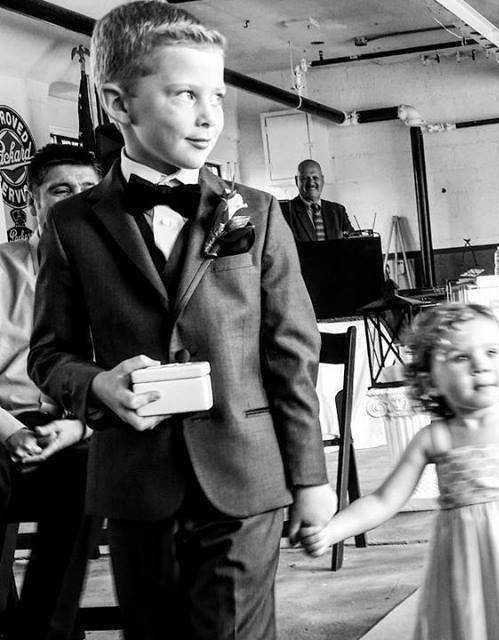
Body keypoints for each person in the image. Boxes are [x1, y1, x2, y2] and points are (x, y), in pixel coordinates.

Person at [27, 3, 337, 638]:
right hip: (136, 486)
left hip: (244, 475)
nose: (208, 116)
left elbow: (291, 355)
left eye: (216, 96)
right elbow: (49, 355)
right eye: (184, 94)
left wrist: (310, 478)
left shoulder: (258, 213)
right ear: (119, 102)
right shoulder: (73, 225)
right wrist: (97, 386)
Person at [299, 303, 499, 639]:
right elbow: (383, 500)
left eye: (492, 351)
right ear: (430, 379)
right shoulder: (435, 438)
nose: (480, 364)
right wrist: (332, 531)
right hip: (470, 572)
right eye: (461, 358)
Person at [0, 144, 101, 640]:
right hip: (5, 426)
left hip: (83, 429)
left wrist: (80, 423)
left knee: (88, 475)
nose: (76, 200)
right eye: (60, 190)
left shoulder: (119, 278)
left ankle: (42, 633)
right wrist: (9, 431)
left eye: (88, 189)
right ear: (33, 200)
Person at [282, 159, 354, 241]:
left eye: (315, 178)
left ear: (322, 180)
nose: (311, 183)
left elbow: (352, 243)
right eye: (305, 178)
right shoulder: (285, 212)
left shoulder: (338, 211)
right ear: (296, 181)